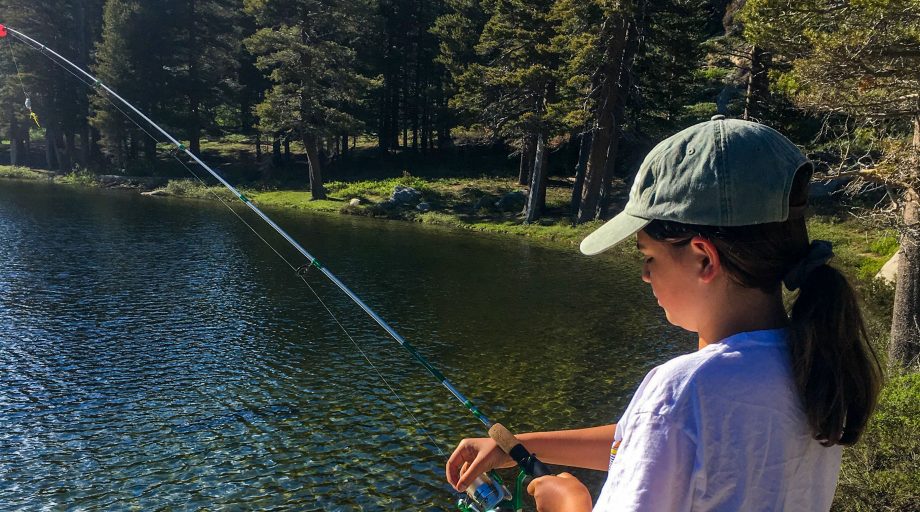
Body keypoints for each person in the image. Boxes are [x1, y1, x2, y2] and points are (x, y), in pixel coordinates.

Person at [445, 116, 883, 511]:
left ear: (703, 259)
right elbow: (657, 442)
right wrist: (518, 446)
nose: (644, 277)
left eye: (648, 258)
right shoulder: (813, 362)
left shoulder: (682, 389)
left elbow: (668, 426)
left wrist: (569, 501)